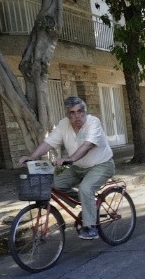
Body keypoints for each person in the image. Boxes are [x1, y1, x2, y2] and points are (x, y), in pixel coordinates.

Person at [19, 96, 115, 240]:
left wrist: (69, 159)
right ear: (67, 114)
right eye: (72, 112)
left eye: (80, 111)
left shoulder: (93, 122)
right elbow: (49, 143)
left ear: (85, 111)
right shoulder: (64, 125)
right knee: (54, 184)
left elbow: (88, 145)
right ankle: (87, 203)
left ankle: (90, 227)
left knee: (85, 188)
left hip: (101, 165)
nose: (77, 116)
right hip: (77, 167)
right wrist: (32, 156)